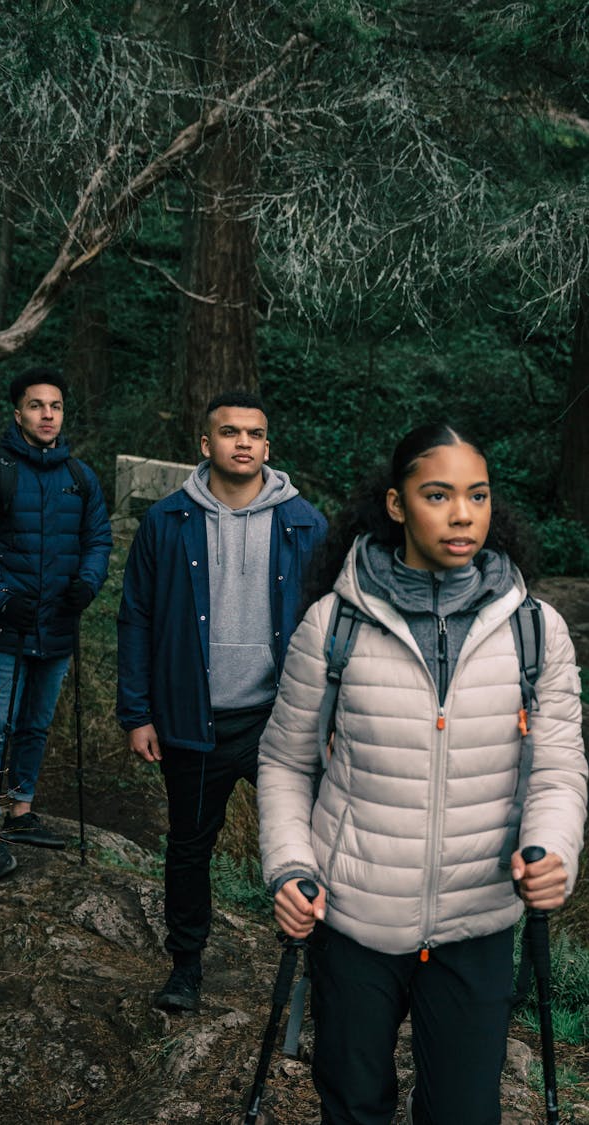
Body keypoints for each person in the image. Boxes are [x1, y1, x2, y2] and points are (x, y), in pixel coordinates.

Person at [257, 422, 587, 1125]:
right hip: (352, 917)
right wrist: (289, 867)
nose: (462, 513)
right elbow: (285, 760)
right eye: (438, 494)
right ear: (398, 504)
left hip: (478, 918)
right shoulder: (334, 625)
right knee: (352, 1104)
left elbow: (558, 765)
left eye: (478, 495)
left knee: (465, 1112)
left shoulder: (535, 630)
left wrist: (554, 848)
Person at [117, 390, 327, 1011]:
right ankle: (185, 967)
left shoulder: (305, 523)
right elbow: (136, 618)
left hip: (280, 722)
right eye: (230, 432)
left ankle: (323, 969)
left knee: (310, 844)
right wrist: (138, 712)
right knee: (188, 847)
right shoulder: (167, 522)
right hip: (193, 720)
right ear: (205, 445)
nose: (243, 443)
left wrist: (334, 715)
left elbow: (332, 627)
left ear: (268, 446)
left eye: (254, 434)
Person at [0, 366, 112, 878]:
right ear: (17, 411)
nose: (48, 414)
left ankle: (21, 810)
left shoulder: (80, 478)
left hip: (57, 627)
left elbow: (99, 540)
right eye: (37, 405)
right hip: (6, 626)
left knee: (36, 725)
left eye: (56, 406)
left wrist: (87, 583)